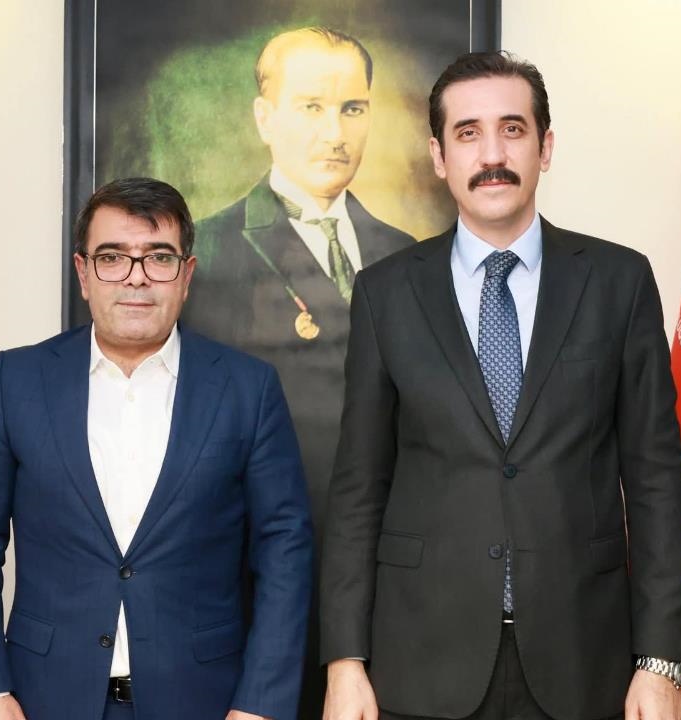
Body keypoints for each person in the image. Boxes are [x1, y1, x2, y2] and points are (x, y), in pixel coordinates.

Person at [319, 52, 681, 720]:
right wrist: (345, 662)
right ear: (439, 157)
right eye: (468, 133)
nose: (492, 154)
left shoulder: (619, 282)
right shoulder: (385, 294)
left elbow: (656, 483)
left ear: (545, 147)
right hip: (421, 664)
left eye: (512, 129)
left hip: (585, 663)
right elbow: (358, 490)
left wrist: (659, 663)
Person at [0, 178, 313, 720]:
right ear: (83, 273)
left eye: (159, 258)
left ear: (186, 275)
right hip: (43, 700)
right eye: (112, 258)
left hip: (205, 702)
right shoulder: (15, 381)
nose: (136, 277)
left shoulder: (247, 389)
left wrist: (261, 704)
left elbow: (285, 550)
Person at [182, 26, 413, 719]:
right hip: (251, 587)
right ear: (265, 118)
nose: (334, 132)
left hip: (389, 590)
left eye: (352, 108)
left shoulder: (408, 256)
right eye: (311, 107)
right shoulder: (205, 255)